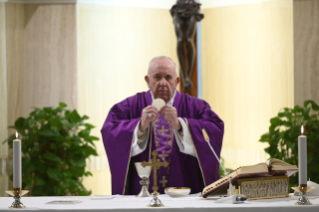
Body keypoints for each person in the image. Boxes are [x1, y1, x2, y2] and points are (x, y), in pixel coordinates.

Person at [101, 56, 224, 195]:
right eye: (157, 77)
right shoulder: (130, 106)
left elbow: (215, 128)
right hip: (141, 196)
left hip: (185, 194)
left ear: (177, 81)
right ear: (148, 80)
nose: (163, 83)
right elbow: (110, 129)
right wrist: (139, 127)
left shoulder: (195, 107)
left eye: (168, 77)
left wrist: (181, 125)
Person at [170, 0, 204, 90]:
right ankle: (185, 77)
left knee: (189, 40)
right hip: (178, 10)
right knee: (180, 40)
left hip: (191, 9)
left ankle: (188, 76)